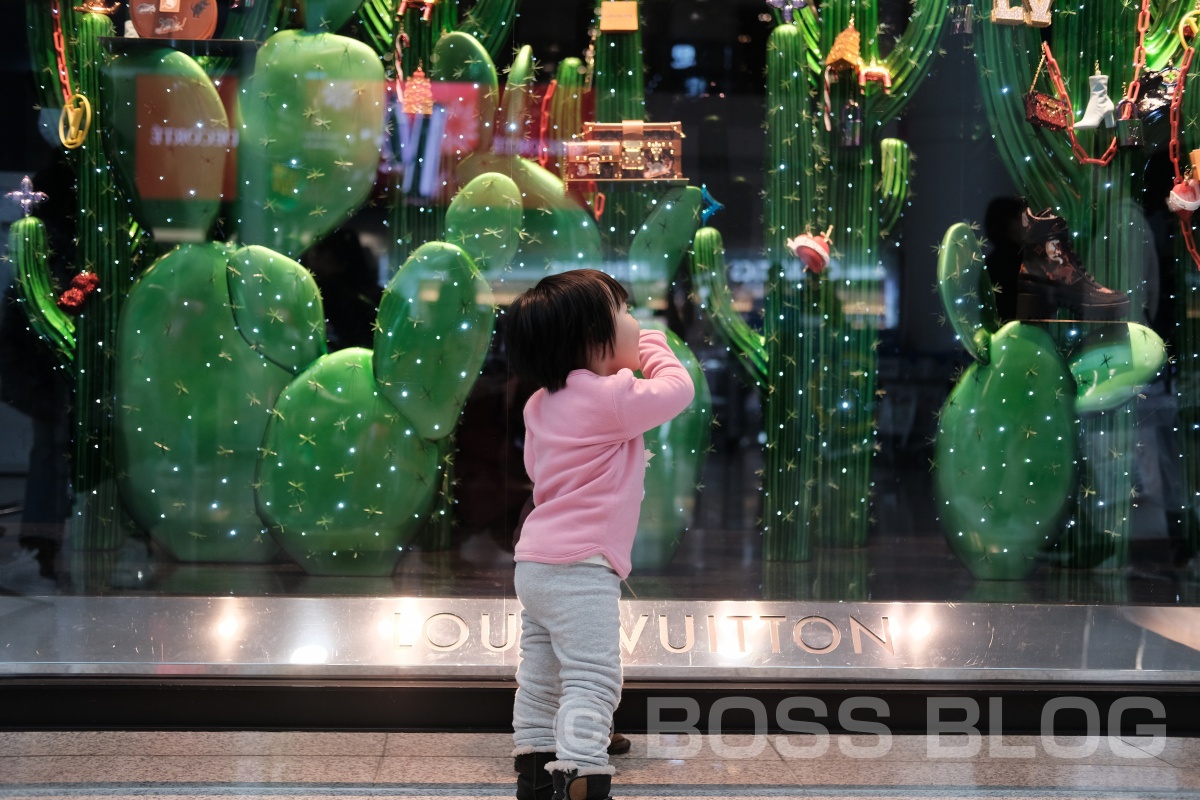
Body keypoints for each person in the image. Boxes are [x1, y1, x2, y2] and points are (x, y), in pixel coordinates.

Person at [504, 269, 695, 800]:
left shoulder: (540, 403)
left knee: (540, 674)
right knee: (592, 675)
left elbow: (537, 468)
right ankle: (584, 771)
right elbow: (678, 391)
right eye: (626, 315)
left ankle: (536, 763)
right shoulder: (613, 396)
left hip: (535, 562)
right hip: (581, 566)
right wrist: (656, 345)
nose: (638, 324)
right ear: (594, 341)